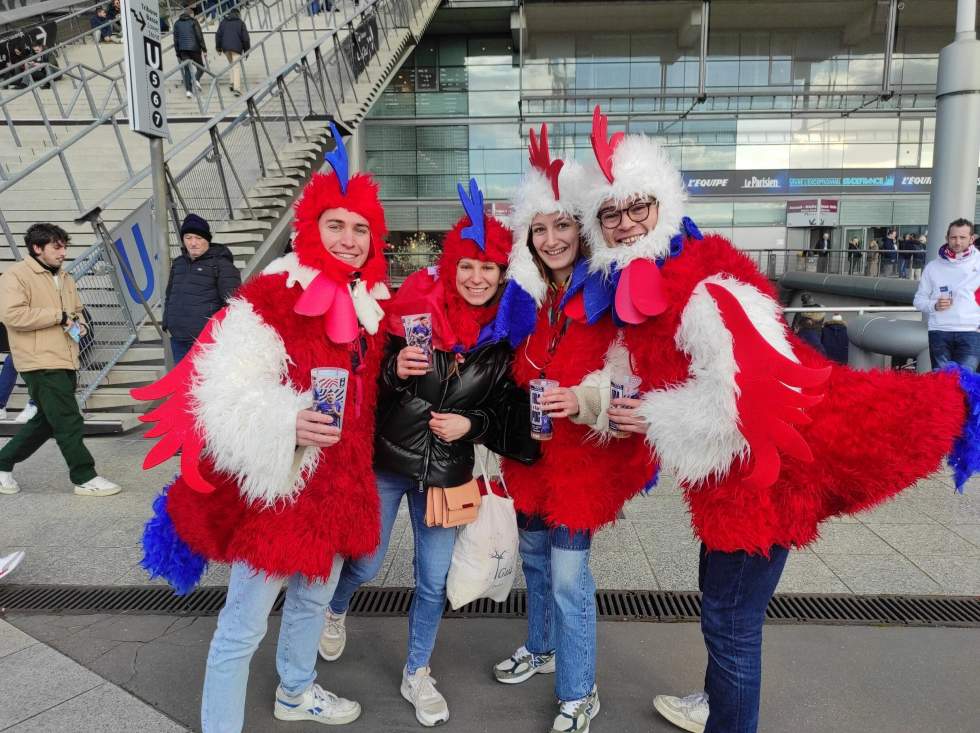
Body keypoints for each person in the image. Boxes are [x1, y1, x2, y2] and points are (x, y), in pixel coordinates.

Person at [578, 106, 980, 733]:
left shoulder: (707, 291)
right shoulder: (654, 282)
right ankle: (713, 702)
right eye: (610, 214)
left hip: (765, 484)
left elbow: (745, 404)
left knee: (730, 625)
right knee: (721, 604)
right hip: (729, 484)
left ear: (661, 206)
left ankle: (727, 719)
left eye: (638, 209)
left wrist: (648, 419)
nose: (625, 224)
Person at [137, 124, 392, 731]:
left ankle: (296, 692)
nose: (349, 239)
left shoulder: (368, 307)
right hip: (278, 488)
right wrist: (287, 421)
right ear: (311, 229)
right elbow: (222, 392)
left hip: (337, 491)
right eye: (336, 225)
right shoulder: (270, 296)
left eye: (360, 229)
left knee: (310, 601)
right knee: (243, 623)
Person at [319, 179, 535, 728]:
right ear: (452, 267)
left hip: (448, 475)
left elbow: (508, 414)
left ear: (502, 273)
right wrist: (395, 371)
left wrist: (472, 422)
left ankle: (417, 672)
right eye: (467, 266)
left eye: (488, 267)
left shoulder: (506, 337)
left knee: (432, 579)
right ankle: (336, 606)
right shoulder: (414, 311)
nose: (477, 277)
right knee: (364, 562)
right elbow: (370, 386)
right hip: (391, 462)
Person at [490, 125, 651, 733]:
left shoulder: (611, 290)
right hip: (531, 457)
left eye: (563, 225)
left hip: (582, 462)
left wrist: (581, 399)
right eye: (540, 228)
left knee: (566, 577)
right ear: (528, 237)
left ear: (580, 230)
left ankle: (580, 691)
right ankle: (542, 646)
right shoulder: (525, 295)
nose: (553, 238)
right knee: (534, 560)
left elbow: (634, 376)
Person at [0, 223, 121, 498]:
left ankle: (2, 463)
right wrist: (58, 316)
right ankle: (84, 476)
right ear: (37, 248)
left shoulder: (65, 277)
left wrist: (80, 325)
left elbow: (76, 311)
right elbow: (13, 316)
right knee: (68, 420)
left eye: (64, 246)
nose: (63, 252)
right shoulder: (16, 276)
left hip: (66, 357)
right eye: (57, 247)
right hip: (38, 361)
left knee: (45, 420)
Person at [162, 214, 241, 364]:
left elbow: (233, 303)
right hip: (178, 339)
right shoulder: (179, 264)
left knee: (205, 384)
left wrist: (218, 333)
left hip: (205, 341)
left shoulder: (222, 265)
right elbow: (169, 295)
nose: (193, 243)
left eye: (198, 238)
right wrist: (167, 322)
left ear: (207, 240)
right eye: (188, 237)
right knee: (183, 385)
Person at [913, 218, 980, 371]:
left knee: (964, 384)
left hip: (971, 332)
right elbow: (918, 300)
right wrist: (934, 305)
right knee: (942, 387)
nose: (957, 242)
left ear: (971, 239)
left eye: (962, 237)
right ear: (947, 238)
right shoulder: (933, 267)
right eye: (953, 237)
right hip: (939, 332)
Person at [173, 7, 207, 98]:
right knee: (201, 67)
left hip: (183, 50)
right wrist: (204, 49)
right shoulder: (194, 21)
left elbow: (175, 40)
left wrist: (178, 53)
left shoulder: (177, 23)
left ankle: (188, 91)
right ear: (191, 14)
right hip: (194, 48)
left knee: (187, 70)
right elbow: (199, 36)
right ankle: (195, 79)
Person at [215, 8, 250, 95]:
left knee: (231, 64)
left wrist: (218, 48)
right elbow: (246, 38)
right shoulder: (240, 23)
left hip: (225, 47)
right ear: (238, 14)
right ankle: (237, 89)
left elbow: (218, 36)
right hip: (236, 47)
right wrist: (247, 51)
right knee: (236, 66)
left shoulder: (223, 22)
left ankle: (232, 83)